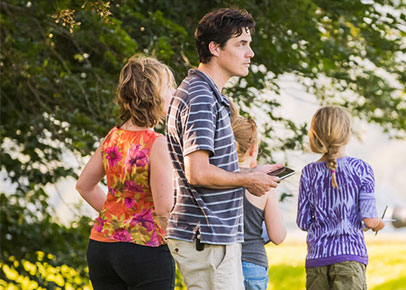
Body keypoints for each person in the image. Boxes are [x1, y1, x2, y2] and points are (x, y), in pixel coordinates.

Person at [164, 8, 282, 290]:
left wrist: (250, 172)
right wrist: (248, 178)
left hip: (211, 238)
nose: (250, 53)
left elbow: (203, 168)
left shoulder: (205, 94)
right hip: (207, 237)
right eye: (241, 44)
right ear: (214, 48)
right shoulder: (201, 97)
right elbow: (198, 173)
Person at [76, 55, 176, 290]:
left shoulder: (113, 136)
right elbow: (163, 209)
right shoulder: (156, 142)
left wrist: (119, 218)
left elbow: (84, 186)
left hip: (102, 248)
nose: (174, 91)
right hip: (144, 251)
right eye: (169, 86)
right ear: (154, 95)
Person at [297, 106, 385, 290]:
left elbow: (303, 222)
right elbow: (369, 220)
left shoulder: (308, 173)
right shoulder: (361, 169)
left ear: (315, 135)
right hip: (350, 258)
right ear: (347, 133)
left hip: (316, 261)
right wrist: (378, 224)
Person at [230, 114, 287, 290]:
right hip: (253, 264)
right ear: (253, 149)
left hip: (224, 263)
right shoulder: (264, 186)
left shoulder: (217, 179)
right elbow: (277, 236)